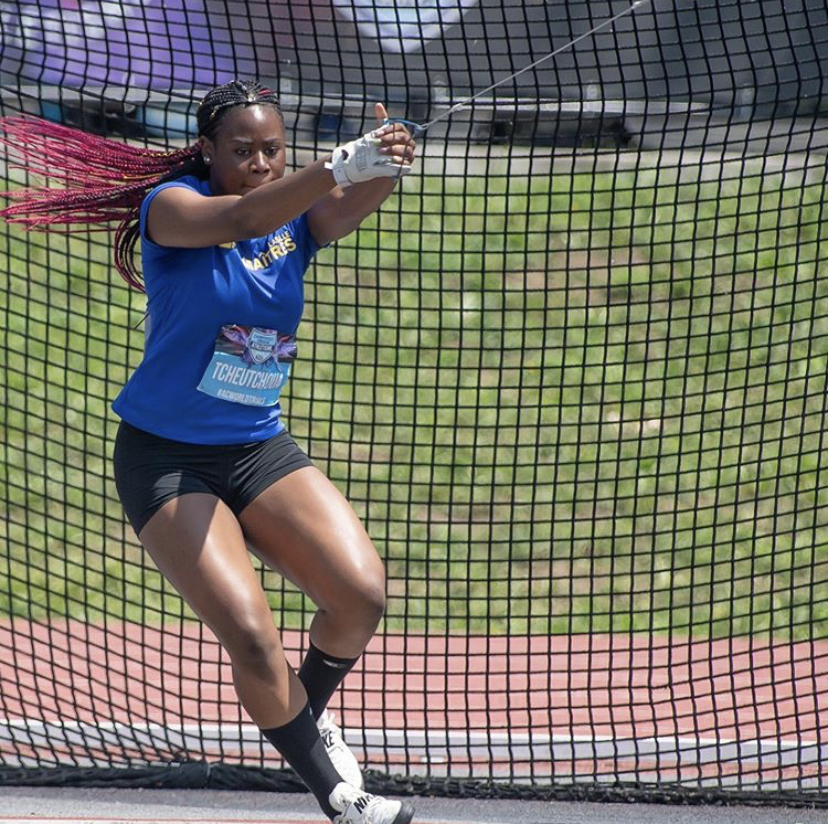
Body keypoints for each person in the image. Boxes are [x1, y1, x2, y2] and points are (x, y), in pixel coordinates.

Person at [0, 79, 416, 824]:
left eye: (272, 150)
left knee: (360, 597)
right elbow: (249, 213)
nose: (260, 163)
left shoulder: (294, 223)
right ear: (207, 151)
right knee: (253, 638)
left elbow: (333, 205)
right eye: (242, 150)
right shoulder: (173, 208)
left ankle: (304, 721)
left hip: (256, 446)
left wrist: (385, 161)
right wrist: (333, 165)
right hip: (167, 459)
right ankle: (338, 795)